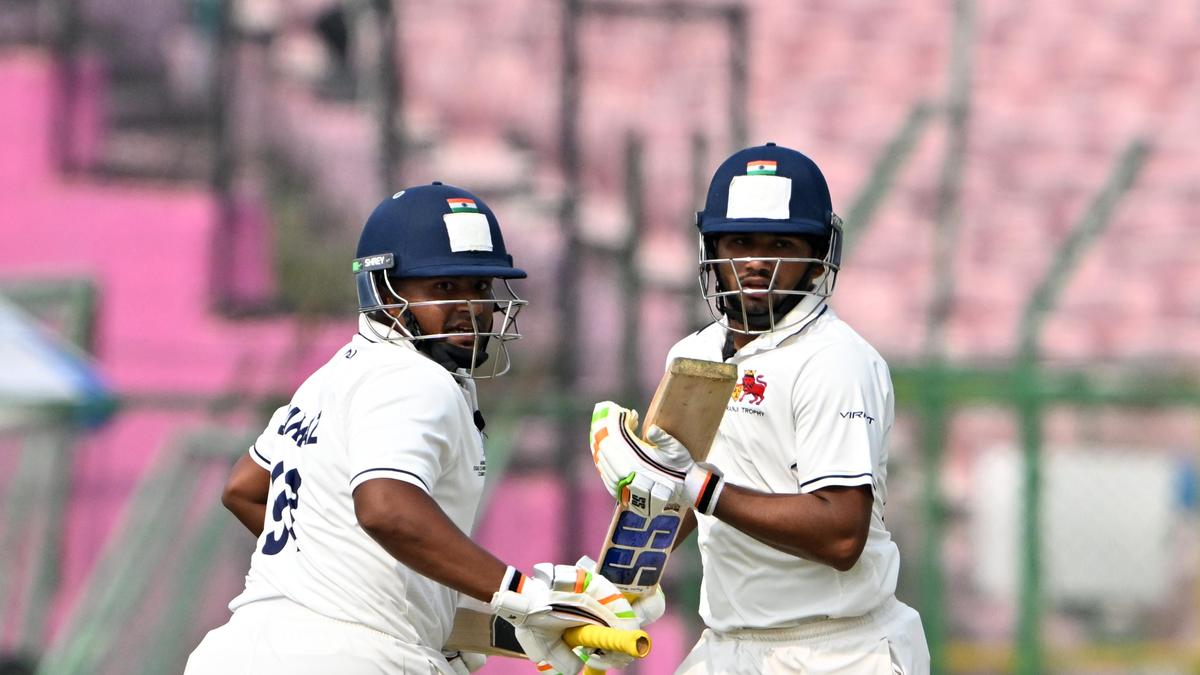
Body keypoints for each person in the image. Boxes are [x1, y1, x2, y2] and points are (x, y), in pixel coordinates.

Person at [186, 183, 644, 675]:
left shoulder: (332, 375)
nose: (472, 307)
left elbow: (244, 489)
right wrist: (521, 595)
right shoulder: (416, 377)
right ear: (384, 291)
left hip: (237, 650)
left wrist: (396, 599)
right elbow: (385, 507)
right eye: (445, 287)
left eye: (482, 287)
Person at [589, 144, 930, 674]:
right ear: (712, 249)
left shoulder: (835, 360)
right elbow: (670, 497)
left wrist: (698, 487)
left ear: (817, 259)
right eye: (740, 241)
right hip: (729, 644)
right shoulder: (694, 354)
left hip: (838, 649)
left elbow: (841, 534)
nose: (754, 262)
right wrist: (607, 592)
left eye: (780, 244)